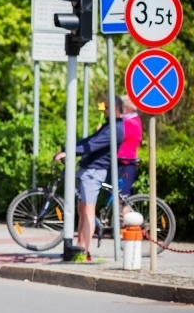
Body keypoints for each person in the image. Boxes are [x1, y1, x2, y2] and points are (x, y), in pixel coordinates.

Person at [54, 95, 124, 262]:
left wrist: (70, 151)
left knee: (88, 212)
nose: (104, 111)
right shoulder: (109, 126)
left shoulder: (116, 129)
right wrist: (68, 146)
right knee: (82, 209)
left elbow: (93, 145)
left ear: (115, 109)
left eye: (106, 108)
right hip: (89, 170)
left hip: (94, 171)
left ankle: (84, 252)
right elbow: (90, 140)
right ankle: (79, 246)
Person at [116, 95, 142, 196]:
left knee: (121, 197)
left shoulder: (131, 122)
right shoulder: (127, 121)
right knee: (118, 197)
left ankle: (127, 212)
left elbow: (116, 136)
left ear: (127, 108)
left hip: (125, 163)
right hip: (121, 162)